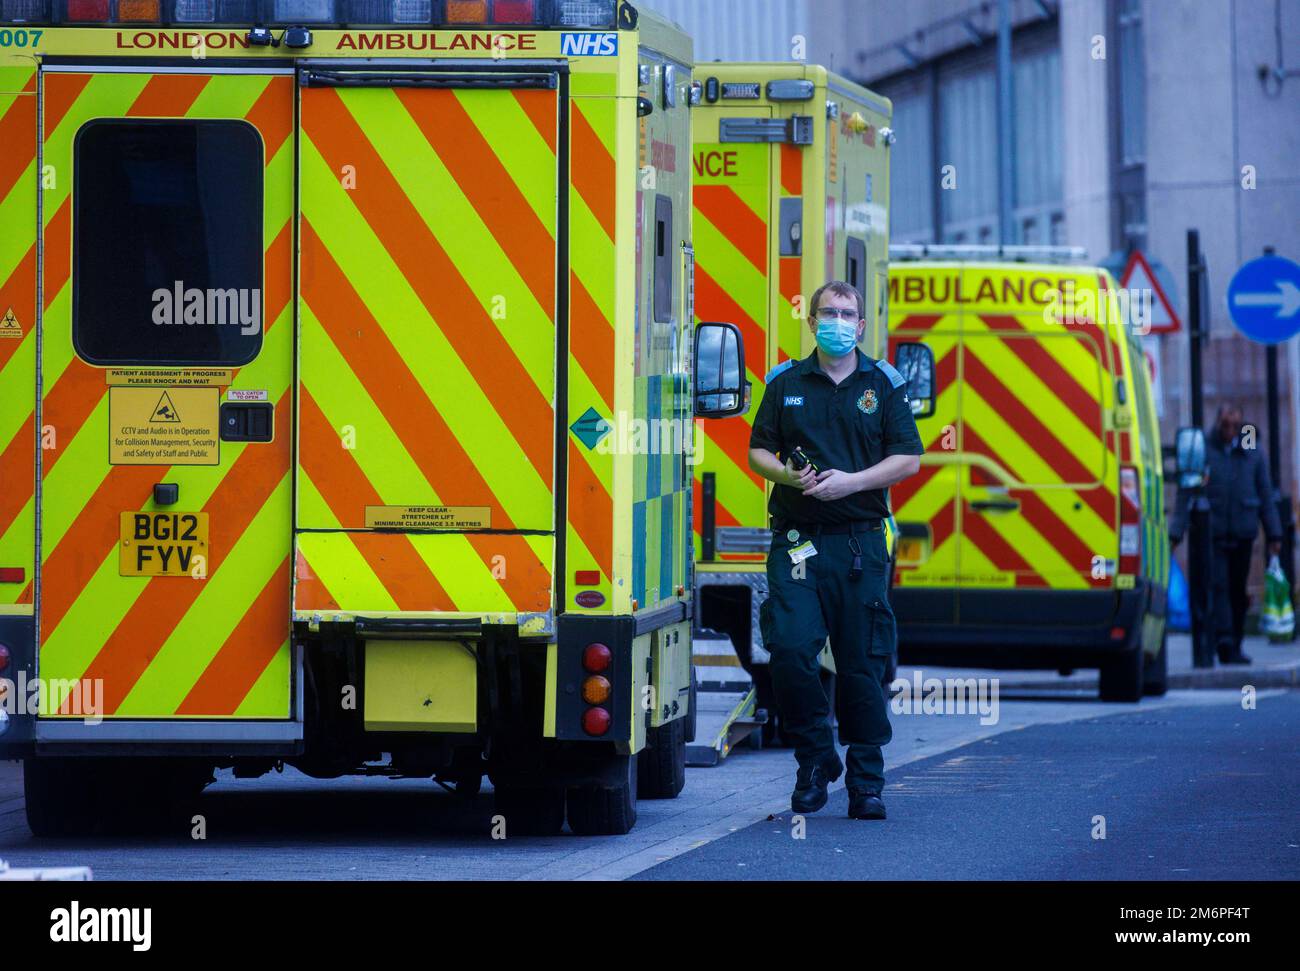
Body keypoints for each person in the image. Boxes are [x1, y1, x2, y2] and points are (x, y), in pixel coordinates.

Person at [748, 280, 923, 820]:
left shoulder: (883, 383)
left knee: (861, 665)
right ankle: (817, 759)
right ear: (812, 320)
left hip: (859, 544)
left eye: (848, 313)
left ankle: (866, 781)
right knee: (792, 653)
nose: (838, 321)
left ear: (862, 325)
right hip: (798, 542)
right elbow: (758, 451)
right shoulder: (785, 381)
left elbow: (908, 459)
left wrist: (852, 483)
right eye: (829, 312)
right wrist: (791, 478)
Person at [1171, 404, 1283, 664]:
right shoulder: (1206, 449)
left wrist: (1274, 535)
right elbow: (1186, 491)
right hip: (1214, 532)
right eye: (1225, 425)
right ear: (1218, 423)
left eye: (1235, 425)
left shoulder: (1252, 450)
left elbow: (1265, 494)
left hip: (1244, 532)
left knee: (1237, 590)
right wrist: (1176, 533)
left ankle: (1235, 641)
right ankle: (1224, 641)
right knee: (1218, 586)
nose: (1230, 431)